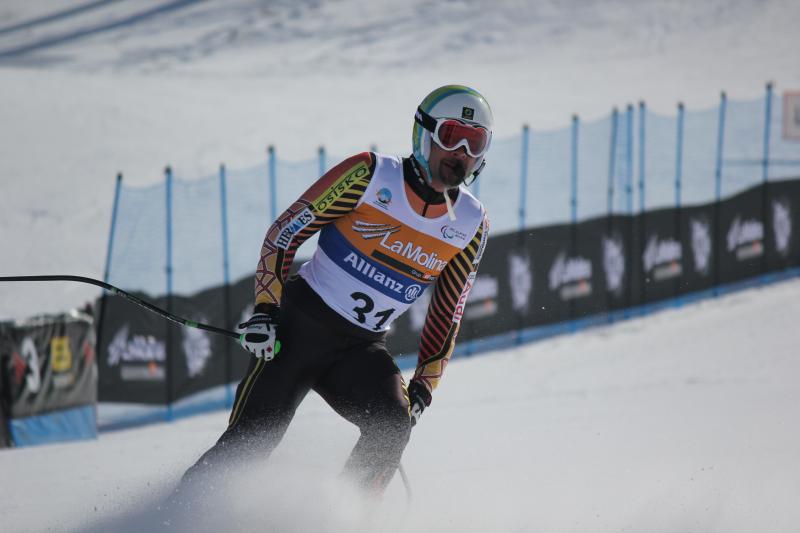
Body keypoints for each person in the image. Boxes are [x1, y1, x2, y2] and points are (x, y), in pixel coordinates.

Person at [181, 84, 493, 497]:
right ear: (424, 134)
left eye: (475, 143)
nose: (462, 153)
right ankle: (175, 516)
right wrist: (266, 311)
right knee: (252, 441)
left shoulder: (471, 223)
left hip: (361, 349)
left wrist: (423, 387)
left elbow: (448, 312)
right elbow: (284, 233)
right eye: (451, 137)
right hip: (298, 329)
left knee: (393, 425)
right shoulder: (369, 174)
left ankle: (344, 518)